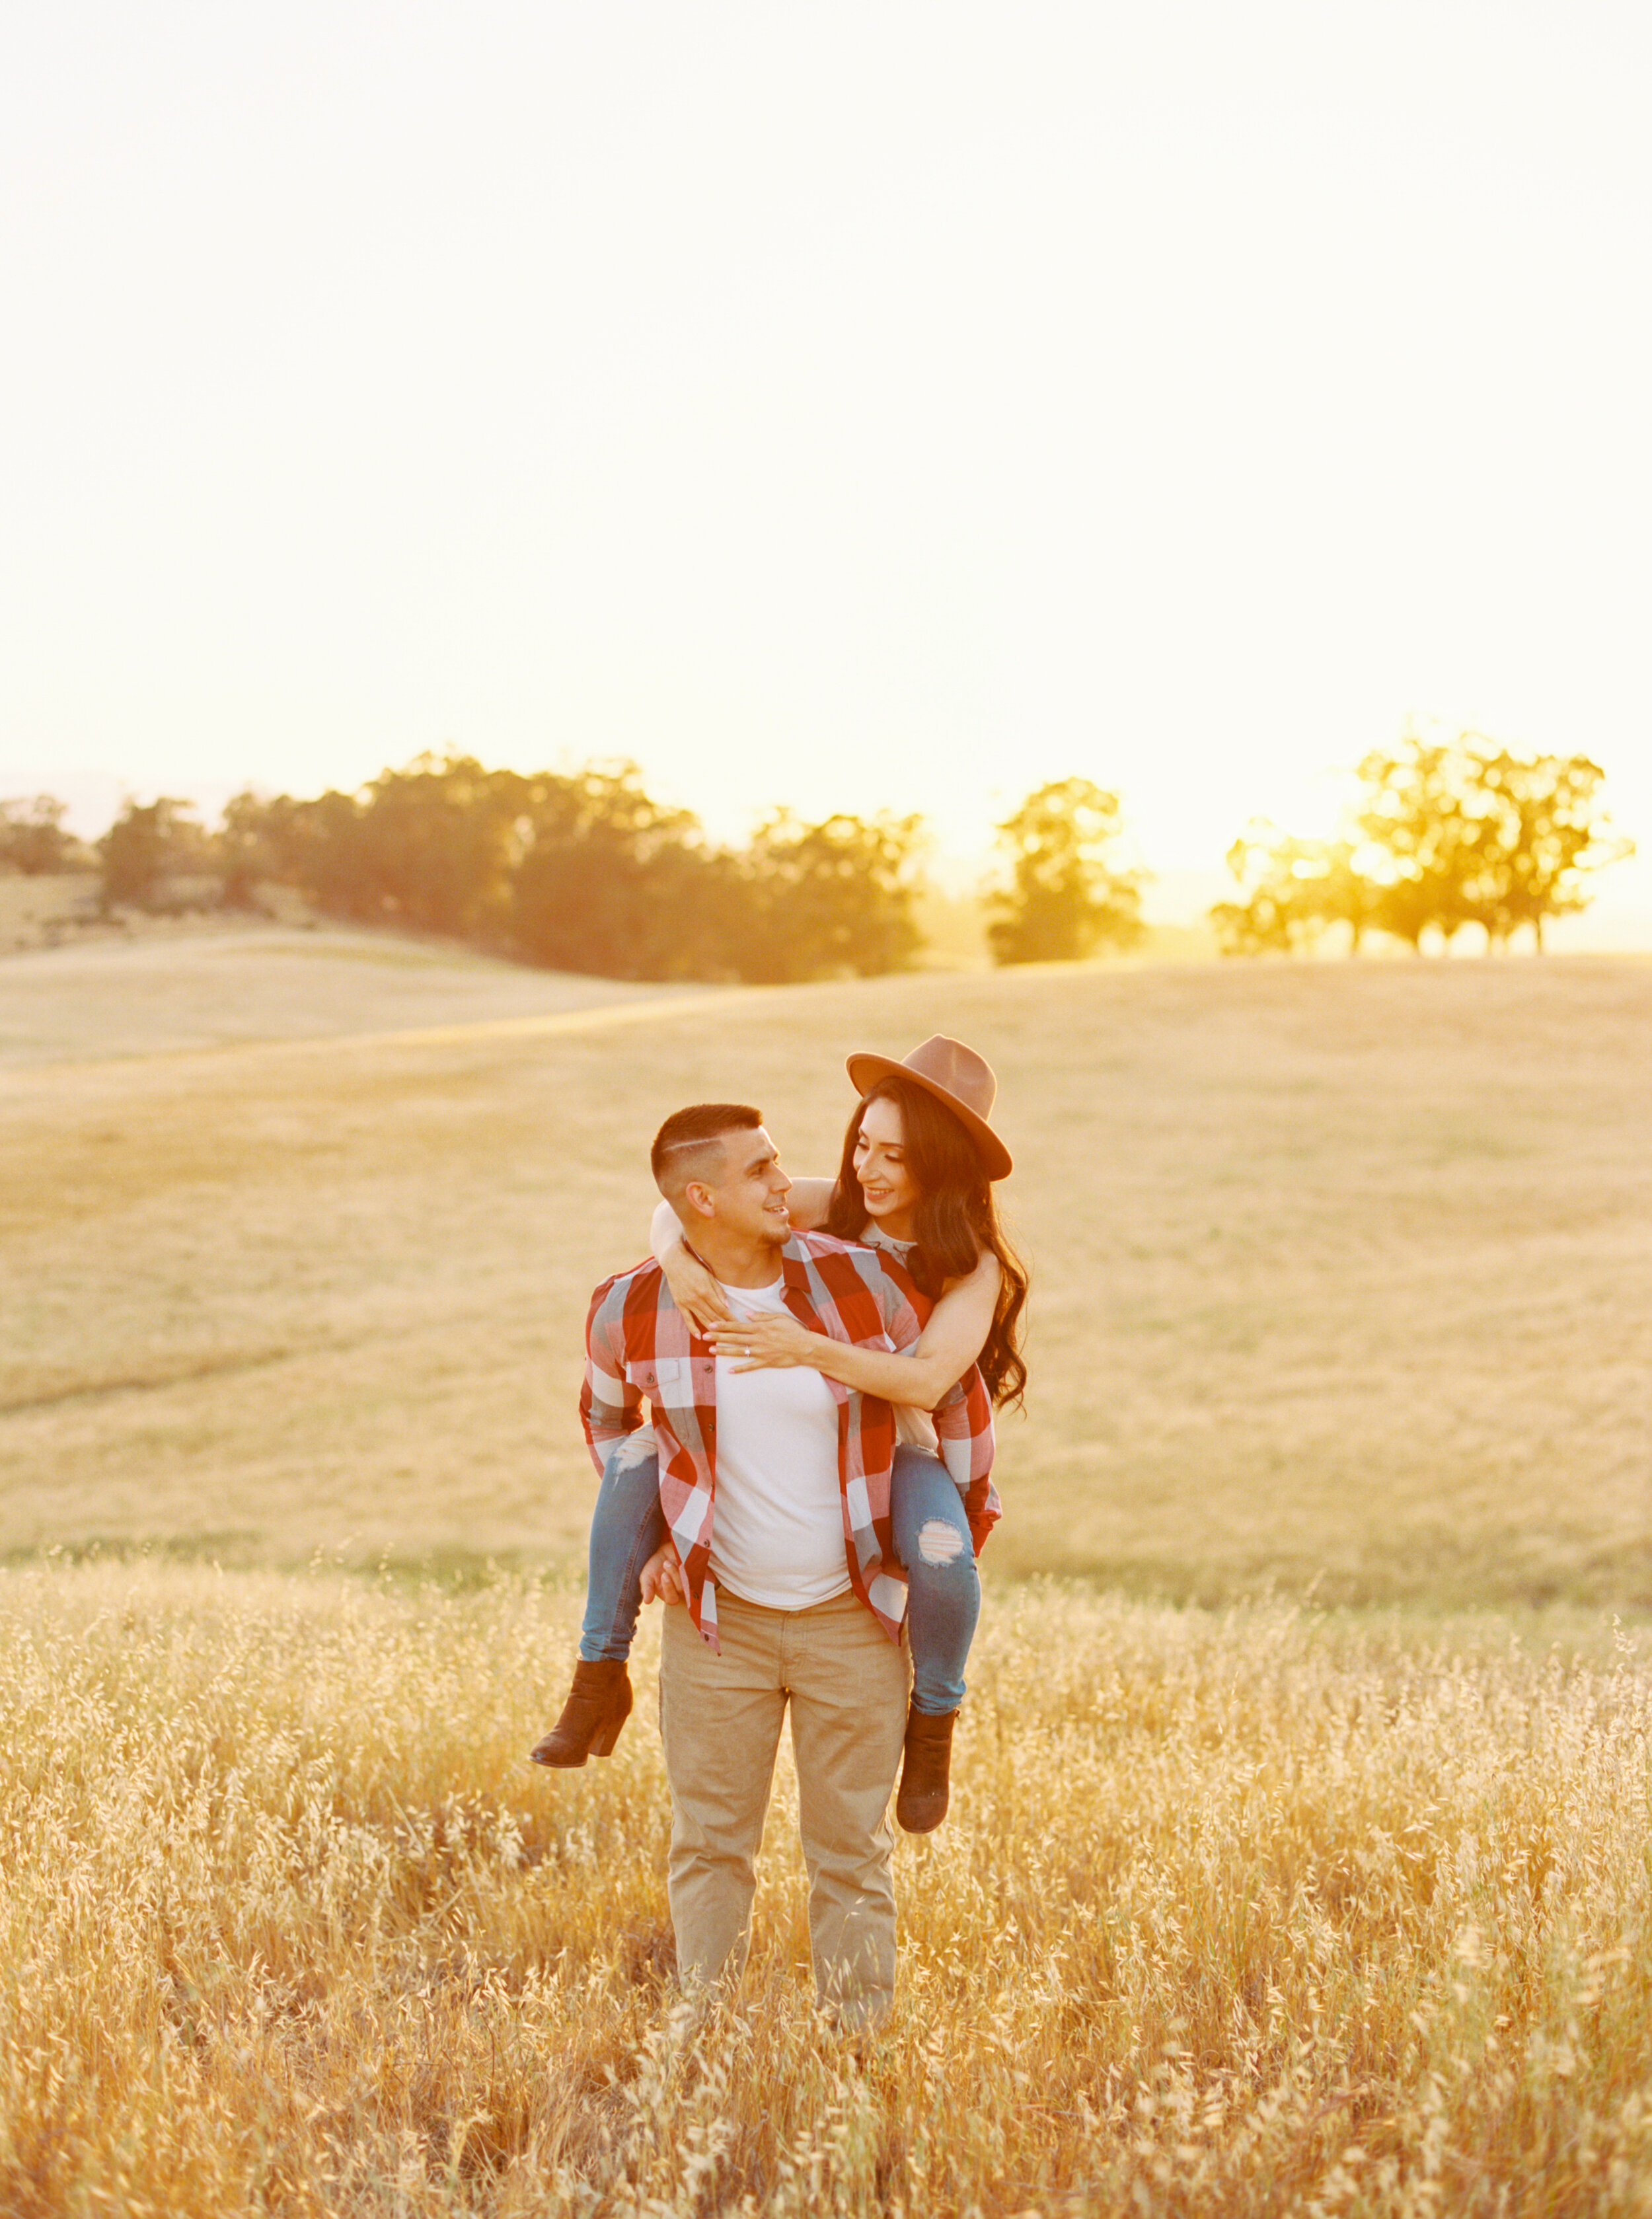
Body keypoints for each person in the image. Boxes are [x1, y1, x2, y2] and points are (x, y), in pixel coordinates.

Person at [564, 1100, 997, 2027]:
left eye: (779, 1165)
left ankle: (857, 2044)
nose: (788, 1182)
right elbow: (608, 1421)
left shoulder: (863, 1281)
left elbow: (948, 1396)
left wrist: (945, 1529)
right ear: (703, 1197)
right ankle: (704, 2034)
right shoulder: (635, 1300)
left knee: (850, 1851)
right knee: (711, 1844)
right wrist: (655, 1544)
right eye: (761, 1170)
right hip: (720, 1627)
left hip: (853, 1622)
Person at [533, 1036, 1027, 1832]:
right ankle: (598, 1671)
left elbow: (933, 1384)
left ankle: (933, 1720)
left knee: (944, 1556)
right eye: (863, 1141)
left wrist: (805, 1348)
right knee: (637, 1452)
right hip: (807, 1437)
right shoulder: (837, 1203)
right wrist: (679, 1264)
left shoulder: (970, 1264)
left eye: (895, 1156)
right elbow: (687, 1198)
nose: (869, 1169)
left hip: (898, 1439)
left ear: (941, 1165)